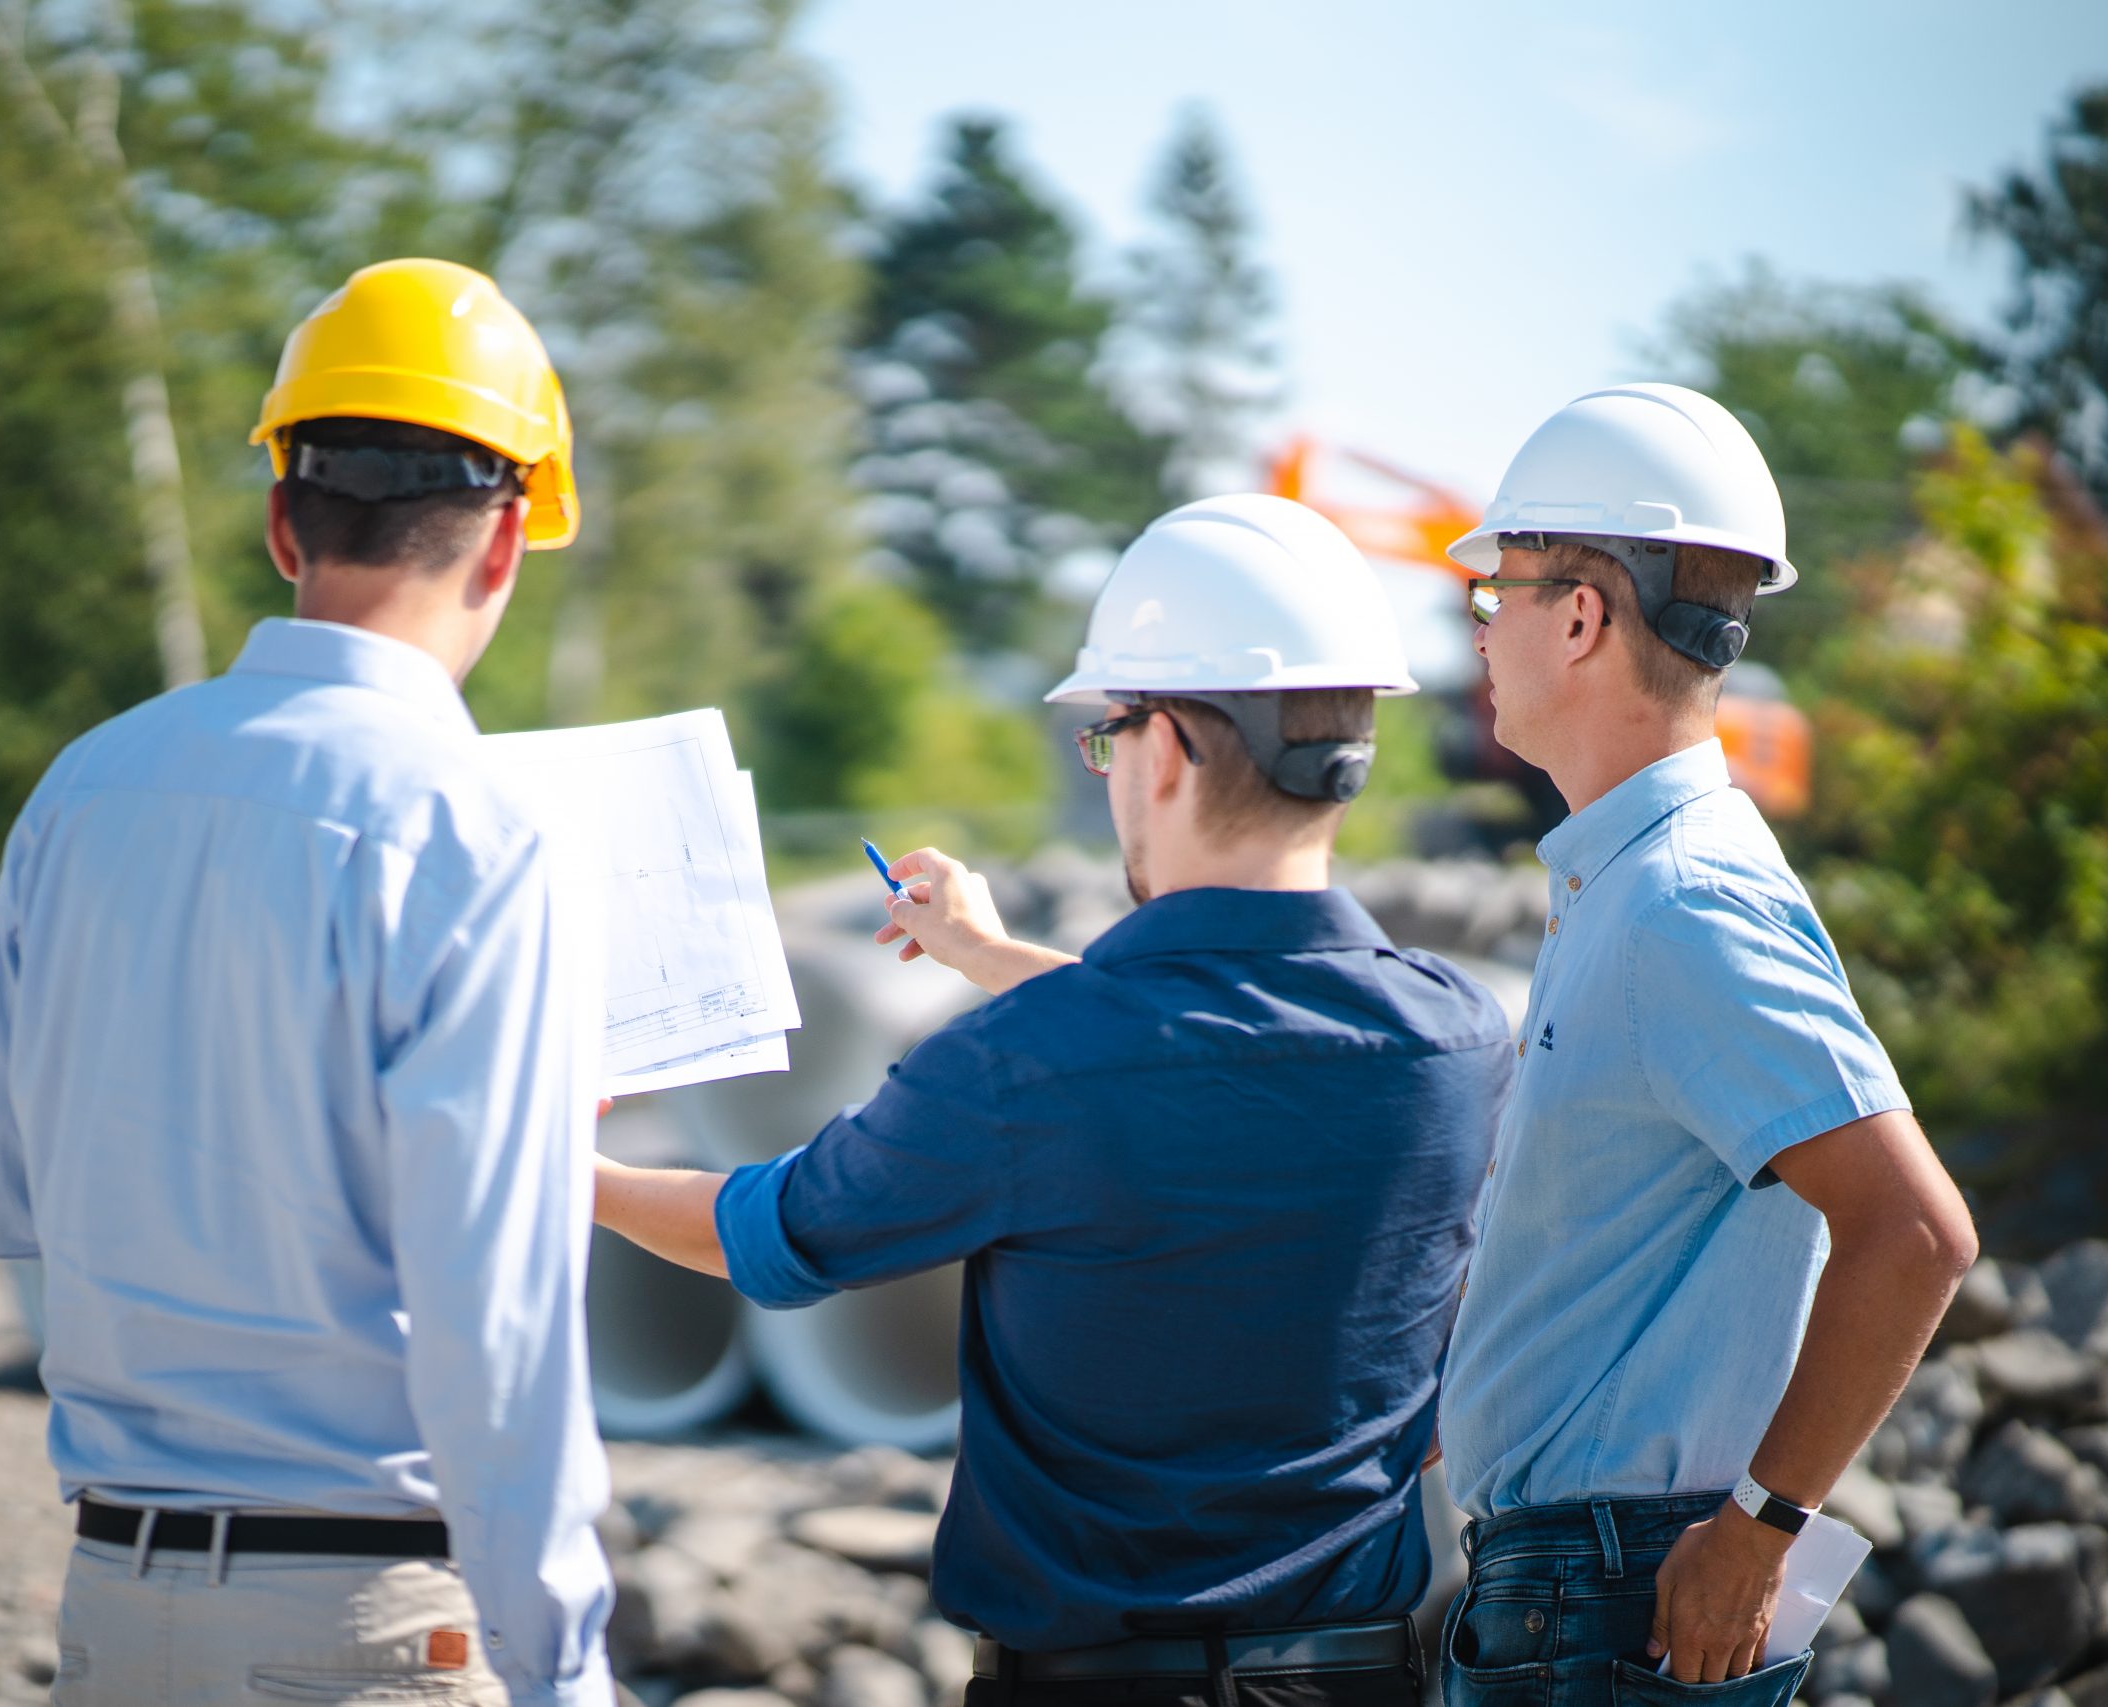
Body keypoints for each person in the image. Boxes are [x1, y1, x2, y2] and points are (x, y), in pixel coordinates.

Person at [595, 495, 1516, 1707]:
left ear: (1169, 747)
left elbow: (767, 1237)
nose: (1109, 769)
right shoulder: (1455, 1038)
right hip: (1355, 1679)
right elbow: (1216, 1038)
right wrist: (989, 955)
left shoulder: (1029, 1062)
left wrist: (561, 1167)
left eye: (1106, 738)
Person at [0, 259, 614, 1707]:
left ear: (279, 518)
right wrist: (566, 1666)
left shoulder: (82, 785)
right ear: (506, 543)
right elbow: (497, 1321)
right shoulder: (475, 827)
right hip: (369, 1620)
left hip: (114, 1605)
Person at [1435, 383, 1979, 1706]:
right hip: (1582, 1582)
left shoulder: (1684, 899)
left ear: (1580, 615)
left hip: (1607, 1593)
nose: (1478, 634)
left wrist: (1760, 1525)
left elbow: (1916, 1232)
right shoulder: (1632, 879)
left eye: (1491, 591)